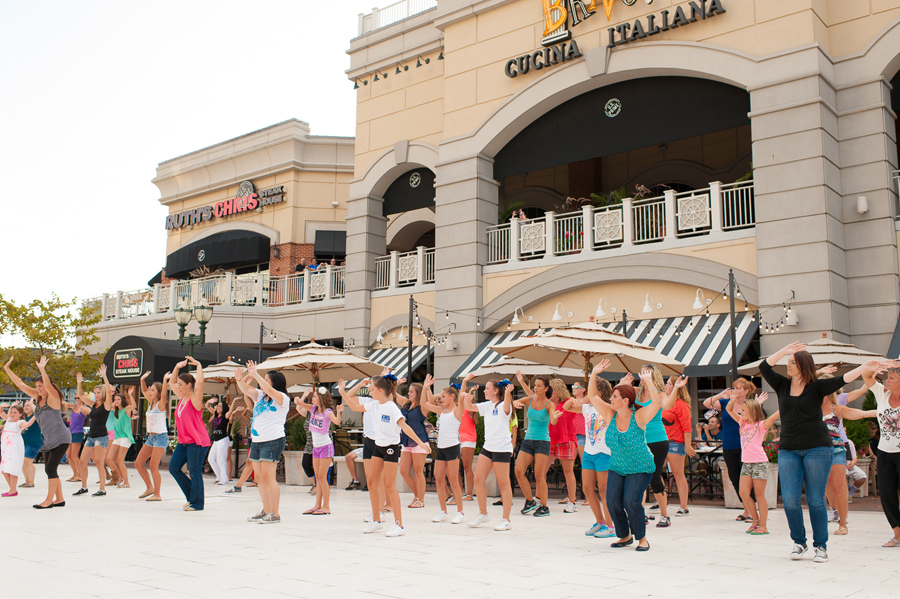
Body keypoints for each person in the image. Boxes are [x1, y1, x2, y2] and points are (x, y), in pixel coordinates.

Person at [760, 342, 893, 562]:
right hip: (789, 450)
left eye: (793, 362)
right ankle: (799, 542)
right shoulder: (782, 385)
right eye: (788, 362)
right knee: (791, 500)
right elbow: (766, 367)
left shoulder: (816, 387)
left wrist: (865, 366)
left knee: (815, 499)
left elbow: (844, 379)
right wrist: (784, 351)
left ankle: (820, 546)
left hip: (818, 448)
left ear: (804, 366)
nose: (788, 366)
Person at [341, 375, 430, 537]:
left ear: (380, 391)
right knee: (372, 482)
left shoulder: (392, 407)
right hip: (378, 447)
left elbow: (406, 427)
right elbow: (354, 407)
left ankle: (399, 525)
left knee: (389, 486)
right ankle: (376, 520)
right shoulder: (374, 405)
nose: (369, 392)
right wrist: (343, 392)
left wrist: (421, 443)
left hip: (391, 448)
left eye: (372, 389)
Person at [588, 362, 662, 551]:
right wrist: (594, 374)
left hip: (640, 467)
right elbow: (592, 396)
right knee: (612, 500)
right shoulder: (610, 414)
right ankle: (624, 536)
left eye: (614, 396)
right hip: (617, 466)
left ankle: (642, 538)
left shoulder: (639, 416)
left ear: (626, 400)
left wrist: (649, 382)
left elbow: (657, 403)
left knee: (631, 501)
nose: (610, 399)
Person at [5, 356, 72, 508]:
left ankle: (48, 500)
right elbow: (20, 383)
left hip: (61, 437)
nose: (38, 388)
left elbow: (48, 386)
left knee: (50, 468)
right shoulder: (37, 397)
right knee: (50, 470)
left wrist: (42, 370)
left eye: (40, 385)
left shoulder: (53, 397)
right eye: (36, 386)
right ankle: (59, 498)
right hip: (48, 439)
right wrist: (7, 369)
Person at [703, 378, 766, 522]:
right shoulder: (725, 403)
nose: (735, 390)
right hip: (729, 445)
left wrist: (757, 405)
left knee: (747, 479)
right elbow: (707, 403)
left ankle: (752, 511)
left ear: (746, 391)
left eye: (739, 388)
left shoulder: (749, 405)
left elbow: (756, 422)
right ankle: (746, 509)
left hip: (746, 447)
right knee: (734, 478)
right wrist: (721, 395)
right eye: (734, 387)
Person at [234, 361, 290, 524]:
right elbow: (246, 390)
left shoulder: (283, 398)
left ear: (274, 382)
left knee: (268, 477)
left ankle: (275, 513)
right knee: (259, 477)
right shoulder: (260, 396)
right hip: (257, 440)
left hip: (272, 440)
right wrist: (240, 379)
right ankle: (266, 510)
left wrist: (256, 373)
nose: (262, 382)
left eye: (266, 379)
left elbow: (270, 390)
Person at [819, 376, 874, 536]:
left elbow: (861, 414)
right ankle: (834, 510)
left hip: (836, 450)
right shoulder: (810, 408)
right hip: (817, 452)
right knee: (827, 486)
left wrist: (882, 411)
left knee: (840, 486)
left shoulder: (838, 408)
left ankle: (843, 524)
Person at [565, 374, 615, 538]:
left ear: (599, 392)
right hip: (589, 452)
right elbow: (566, 407)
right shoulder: (587, 408)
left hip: (604, 453)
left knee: (604, 491)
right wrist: (578, 398)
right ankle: (600, 522)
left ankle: (610, 525)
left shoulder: (607, 407)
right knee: (587, 488)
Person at [462, 380, 515, 531]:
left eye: (487, 388)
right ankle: (483, 513)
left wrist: (508, 393)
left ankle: (506, 519)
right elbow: (469, 407)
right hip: (488, 447)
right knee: (478, 479)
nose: (484, 391)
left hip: (502, 448)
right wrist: (468, 396)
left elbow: (506, 406)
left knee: (503, 483)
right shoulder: (486, 406)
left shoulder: (505, 405)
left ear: (496, 391)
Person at [725, 394, 777, 535]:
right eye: (741, 410)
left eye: (744, 410)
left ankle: (763, 526)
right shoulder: (742, 422)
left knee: (759, 495)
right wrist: (732, 400)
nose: (741, 412)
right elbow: (729, 410)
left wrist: (787, 403)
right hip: (746, 463)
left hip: (759, 463)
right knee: (743, 493)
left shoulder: (761, 425)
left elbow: (773, 418)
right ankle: (755, 520)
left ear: (753, 412)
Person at [860, 366, 900, 547]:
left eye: (891, 378)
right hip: (884, 452)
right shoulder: (881, 394)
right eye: (887, 377)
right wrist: (879, 365)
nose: (887, 381)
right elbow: (866, 375)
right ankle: (897, 534)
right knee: (886, 495)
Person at [420, 375, 466, 524]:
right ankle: (443, 511)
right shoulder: (441, 411)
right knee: (438, 478)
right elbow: (424, 404)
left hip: (452, 448)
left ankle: (460, 512)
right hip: (441, 448)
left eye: (443, 397)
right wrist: (426, 388)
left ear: (452, 397)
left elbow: (461, 400)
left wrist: (464, 383)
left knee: (453, 480)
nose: (440, 399)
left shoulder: (457, 411)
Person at [169, 356, 210, 512]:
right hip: (184, 442)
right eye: (178, 384)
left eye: (181, 385)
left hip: (197, 442)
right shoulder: (182, 398)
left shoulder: (194, 399)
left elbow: (200, 382)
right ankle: (192, 496)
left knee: (194, 471)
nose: (178, 387)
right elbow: (171, 383)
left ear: (188, 385)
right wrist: (176, 368)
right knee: (174, 468)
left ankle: (197, 503)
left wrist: (199, 365)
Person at [295, 388, 343, 515]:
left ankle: (326, 506)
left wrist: (339, 412)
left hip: (326, 447)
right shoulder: (313, 409)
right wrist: (300, 398)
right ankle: (317, 505)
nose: (313, 398)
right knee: (318, 478)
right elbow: (300, 404)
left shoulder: (328, 412)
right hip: (315, 448)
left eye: (315, 396)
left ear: (321, 398)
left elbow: (337, 422)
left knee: (322, 477)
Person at [513, 372, 555, 517]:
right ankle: (530, 501)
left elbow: (554, 420)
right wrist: (516, 403)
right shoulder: (530, 400)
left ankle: (544, 506)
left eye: (539, 386)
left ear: (546, 388)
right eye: (535, 386)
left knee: (539, 475)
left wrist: (555, 417)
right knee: (518, 471)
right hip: (528, 441)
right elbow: (513, 402)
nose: (536, 388)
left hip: (542, 442)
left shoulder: (550, 404)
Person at [637, 365, 671, 527]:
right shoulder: (636, 392)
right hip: (639, 440)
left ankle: (664, 515)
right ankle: (640, 514)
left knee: (654, 478)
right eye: (641, 372)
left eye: (646, 372)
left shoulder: (659, 393)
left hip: (657, 439)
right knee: (639, 477)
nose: (642, 375)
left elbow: (666, 406)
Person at [74, 367, 114, 497]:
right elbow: (80, 396)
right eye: (95, 392)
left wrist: (104, 376)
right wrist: (79, 382)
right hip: (91, 437)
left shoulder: (106, 405)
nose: (96, 394)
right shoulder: (92, 404)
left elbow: (108, 390)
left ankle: (102, 489)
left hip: (101, 437)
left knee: (98, 462)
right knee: (82, 461)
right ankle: (84, 487)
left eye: (98, 392)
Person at [662, 376, 696, 517]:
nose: (666, 385)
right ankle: (661, 499)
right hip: (663, 441)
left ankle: (684, 506)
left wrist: (688, 446)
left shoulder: (680, 404)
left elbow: (687, 426)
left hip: (676, 442)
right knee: (655, 472)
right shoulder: (664, 402)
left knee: (678, 474)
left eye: (669, 384)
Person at [135, 371, 170, 501]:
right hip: (151, 437)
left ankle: (157, 494)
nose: (150, 392)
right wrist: (142, 379)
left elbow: (165, 394)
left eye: (153, 390)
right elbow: (143, 389)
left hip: (161, 437)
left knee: (153, 467)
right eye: (150, 390)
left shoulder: (161, 405)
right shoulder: (150, 403)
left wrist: (165, 380)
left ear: (158, 392)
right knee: (138, 463)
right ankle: (149, 488)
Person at [549, 378, 578, 512]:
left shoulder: (568, 402)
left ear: (557, 391)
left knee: (568, 471)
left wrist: (573, 399)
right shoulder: (548, 404)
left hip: (566, 439)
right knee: (540, 470)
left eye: (551, 389)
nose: (549, 391)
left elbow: (576, 401)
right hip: (550, 440)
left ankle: (572, 501)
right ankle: (538, 498)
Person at [398, 382, 429, 508]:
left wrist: (426, 387)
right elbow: (393, 394)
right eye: (409, 391)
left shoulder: (422, 407)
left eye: (412, 391)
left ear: (418, 394)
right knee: (404, 471)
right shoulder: (406, 404)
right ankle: (417, 495)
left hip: (420, 441)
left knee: (418, 471)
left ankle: (420, 500)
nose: (409, 393)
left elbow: (424, 401)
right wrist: (395, 383)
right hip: (406, 441)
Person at [1, 403, 37, 496]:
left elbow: (28, 424)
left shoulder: (19, 423)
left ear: (20, 414)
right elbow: (0, 412)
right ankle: (12, 489)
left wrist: (35, 415)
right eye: (11, 412)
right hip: (6, 449)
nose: (12, 414)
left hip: (14, 449)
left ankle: (12, 490)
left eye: (15, 412)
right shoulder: (8, 420)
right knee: (4, 470)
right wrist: (2, 405)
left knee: (13, 470)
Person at [107, 389, 137, 489]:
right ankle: (120, 477)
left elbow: (134, 406)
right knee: (109, 458)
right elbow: (107, 404)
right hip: (117, 437)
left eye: (118, 399)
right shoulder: (115, 410)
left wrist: (130, 395)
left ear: (122, 400)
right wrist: (111, 395)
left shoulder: (126, 409)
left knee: (120, 460)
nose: (116, 401)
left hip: (126, 437)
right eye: (115, 399)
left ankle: (126, 482)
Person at [459, 376, 479, 502]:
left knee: (467, 466)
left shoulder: (470, 408)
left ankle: (469, 494)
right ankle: (460, 492)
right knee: (454, 467)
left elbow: (464, 398)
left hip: (468, 439)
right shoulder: (459, 408)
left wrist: (466, 383)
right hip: (458, 439)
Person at [206, 397, 234, 485]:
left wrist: (234, 401)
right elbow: (207, 406)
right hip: (216, 440)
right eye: (217, 406)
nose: (218, 407)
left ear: (224, 408)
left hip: (223, 440)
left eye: (220, 406)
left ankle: (224, 479)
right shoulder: (215, 414)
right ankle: (219, 476)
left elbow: (231, 410)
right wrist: (209, 401)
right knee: (211, 459)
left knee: (221, 460)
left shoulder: (225, 416)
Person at [63, 392, 86, 483]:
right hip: (70, 432)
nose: (76, 399)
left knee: (74, 455)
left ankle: (80, 475)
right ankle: (75, 474)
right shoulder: (74, 407)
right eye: (75, 398)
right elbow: (63, 403)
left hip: (78, 432)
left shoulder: (84, 409)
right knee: (68, 455)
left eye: (78, 398)